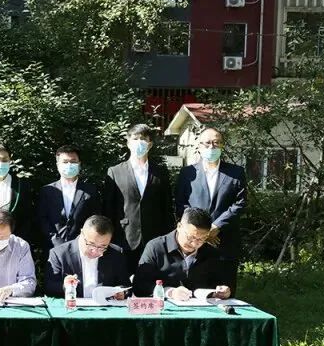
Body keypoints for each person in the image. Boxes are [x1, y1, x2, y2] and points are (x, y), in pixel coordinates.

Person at [175, 128, 247, 295]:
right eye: (207, 143)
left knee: (224, 293)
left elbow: (240, 203)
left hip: (225, 241)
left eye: (216, 143)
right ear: (199, 146)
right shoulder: (188, 173)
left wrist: (216, 226)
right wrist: (202, 231)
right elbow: (181, 204)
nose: (211, 147)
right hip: (195, 243)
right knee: (194, 292)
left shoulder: (236, 173)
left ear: (222, 146)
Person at [103, 124, 175, 272]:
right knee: (124, 280)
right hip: (124, 237)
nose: (139, 142)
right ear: (128, 143)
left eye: (143, 139)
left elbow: (167, 207)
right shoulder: (115, 172)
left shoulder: (160, 172)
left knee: (152, 279)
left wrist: (168, 238)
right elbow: (109, 208)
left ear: (150, 144)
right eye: (135, 139)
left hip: (154, 237)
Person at [133, 207, 231, 300]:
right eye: (190, 237)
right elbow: (140, 286)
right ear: (179, 226)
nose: (194, 244)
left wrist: (223, 291)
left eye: (201, 239)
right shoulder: (156, 247)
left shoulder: (210, 252)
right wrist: (170, 292)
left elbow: (220, 284)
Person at [45, 215, 130, 298]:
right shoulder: (59, 254)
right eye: (91, 244)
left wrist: (122, 292)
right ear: (82, 233)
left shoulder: (115, 253)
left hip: (105, 305)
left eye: (102, 247)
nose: (95, 251)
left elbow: (126, 286)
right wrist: (65, 285)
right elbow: (49, 288)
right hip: (73, 305)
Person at [37, 145, 99, 250]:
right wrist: (56, 241)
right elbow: (42, 219)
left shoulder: (90, 191)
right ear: (58, 165)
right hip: (52, 248)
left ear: (79, 164)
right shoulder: (47, 191)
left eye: (73, 162)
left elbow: (94, 219)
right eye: (65, 162)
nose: (69, 165)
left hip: (82, 247)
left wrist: (82, 241)